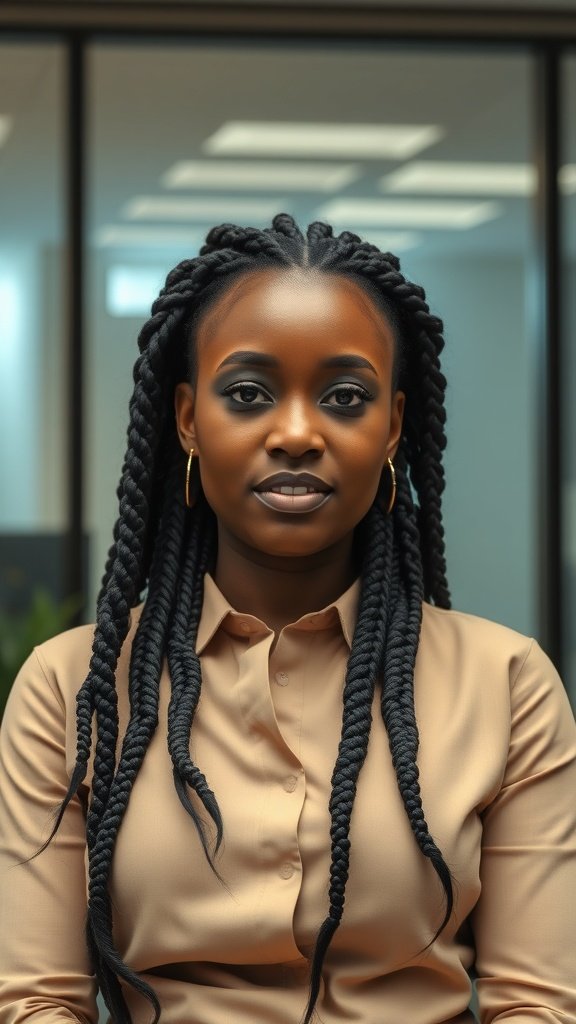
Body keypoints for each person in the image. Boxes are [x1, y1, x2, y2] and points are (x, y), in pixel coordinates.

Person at [0, 214, 575, 1024]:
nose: (299, 433)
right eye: (249, 393)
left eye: (345, 397)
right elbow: (37, 1003)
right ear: (189, 418)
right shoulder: (71, 687)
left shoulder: (507, 684)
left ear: (393, 429)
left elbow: (540, 1007)